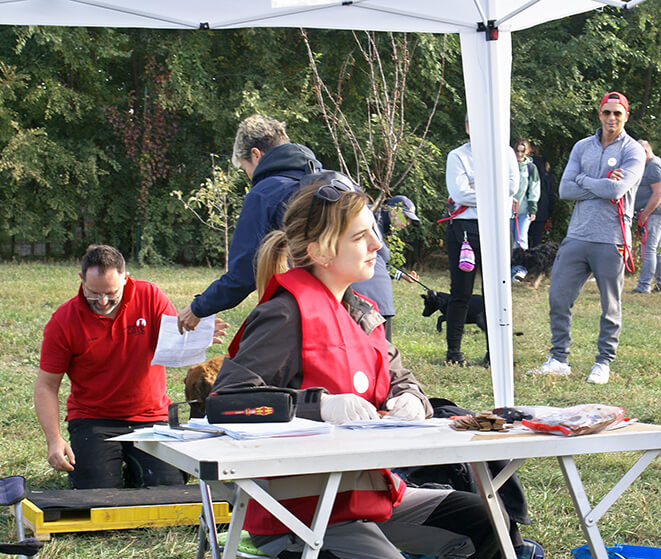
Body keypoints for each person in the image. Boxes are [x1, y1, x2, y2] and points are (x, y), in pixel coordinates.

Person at [212, 179, 502, 559]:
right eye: (362, 236)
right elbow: (227, 401)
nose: (377, 245)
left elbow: (401, 378)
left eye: (374, 232)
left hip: (368, 495)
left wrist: (411, 399)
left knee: (480, 523)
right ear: (322, 250)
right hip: (300, 512)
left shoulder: (363, 312)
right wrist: (317, 406)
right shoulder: (284, 313)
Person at [34, 244, 225, 488]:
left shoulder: (150, 296)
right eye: (94, 293)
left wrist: (197, 337)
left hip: (151, 416)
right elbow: (46, 385)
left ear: (126, 278)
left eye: (111, 293)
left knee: (167, 490)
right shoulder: (63, 321)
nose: (103, 301)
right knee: (98, 495)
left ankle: (133, 468)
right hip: (93, 418)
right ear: (81, 279)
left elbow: (173, 343)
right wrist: (54, 439)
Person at [529, 91, 645, 385]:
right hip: (578, 235)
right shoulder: (582, 147)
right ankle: (559, 359)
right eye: (607, 112)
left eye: (617, 113)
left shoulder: (633, 151)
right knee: (558, 297)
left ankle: (603, 362)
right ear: (599, 114)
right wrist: (598, 183)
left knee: (610, 305)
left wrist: (584, 180)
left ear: (626, 116)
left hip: (612, 238)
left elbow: (616, 191)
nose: (611, 118)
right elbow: (565, 190)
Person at [177, 114, 321, 334]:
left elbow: (244, 273)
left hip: (318, 307)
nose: (249, 177)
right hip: (366, 304)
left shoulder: (266, 192)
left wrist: (197, 308)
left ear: (256, 154)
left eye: (245, 169)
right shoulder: (335, 182)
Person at [443, 117, 519, 366]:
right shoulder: (457, 156)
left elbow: (512, 187)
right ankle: (454, 352)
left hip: (498, 227)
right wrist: (494, 188)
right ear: (467, 126)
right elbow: (459, 192)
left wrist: (477, 185)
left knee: (496, 292)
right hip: (465, 228)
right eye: (473, 122)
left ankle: (495, 354)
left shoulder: (506, 153)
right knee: (461, 291)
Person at [350, 194, 420, 342]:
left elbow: (380, 261)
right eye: (406, 218)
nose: (407, 223)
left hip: (378, 302)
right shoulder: (371, 219)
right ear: (393, 212)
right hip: (367, 300)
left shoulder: (379, 223)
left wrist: (401, 275)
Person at [630, 140, 661, 294]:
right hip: (654, 212)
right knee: (658, 249)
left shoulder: (655, 166)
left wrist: (645, 214)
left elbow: (659, 193)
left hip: (655, 213)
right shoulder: (651, 165)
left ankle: (644, 286)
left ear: (645, 152)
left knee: (648, 250)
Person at [511, 137, 540, 251]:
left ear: (526, 152)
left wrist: (532, 209)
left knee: (521, 239)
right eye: (517, 151)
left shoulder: (531, 168)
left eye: (522, 151)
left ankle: (521, 262)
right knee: (509, 240)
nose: (519, 154)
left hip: (524, 210)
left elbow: (534, 189)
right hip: (508, 210)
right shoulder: (507, 166)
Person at [527, 144, 556, 247]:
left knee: (523, 237)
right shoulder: (546, 167)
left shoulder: (527, 165)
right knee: (537, 239)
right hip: (543, 207)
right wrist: (550, 211)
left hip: (526, 206)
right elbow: (550, 191)